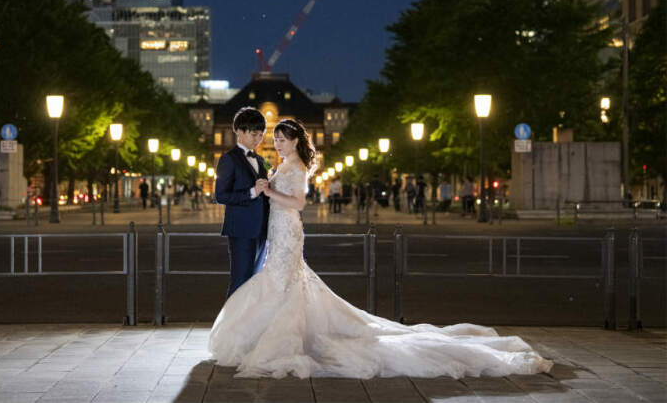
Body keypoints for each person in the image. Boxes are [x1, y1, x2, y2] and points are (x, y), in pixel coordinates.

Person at [209, 118, 552, 379]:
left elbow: (298, 202)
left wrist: (269, 191)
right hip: (279, 230)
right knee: (281, 283)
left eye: (282, 139)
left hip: (287, 229)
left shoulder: (296, 167)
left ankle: (275, 336)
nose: (276, 144)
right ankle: (266, 333)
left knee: (284, 282)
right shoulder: (283, 164)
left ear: (296, 140)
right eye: (275, 139)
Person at [214, 107, 270, 297]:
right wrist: (252, 192)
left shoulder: (261, 160)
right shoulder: (228, 159)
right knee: (240, 281)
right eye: (254, 134)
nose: (258, 139)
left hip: (262, 230)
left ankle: (248, 317)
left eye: (261, 135)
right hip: (241, 230)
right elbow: (221, 195)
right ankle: (231, 317)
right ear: (239, 131)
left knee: (254, 281)